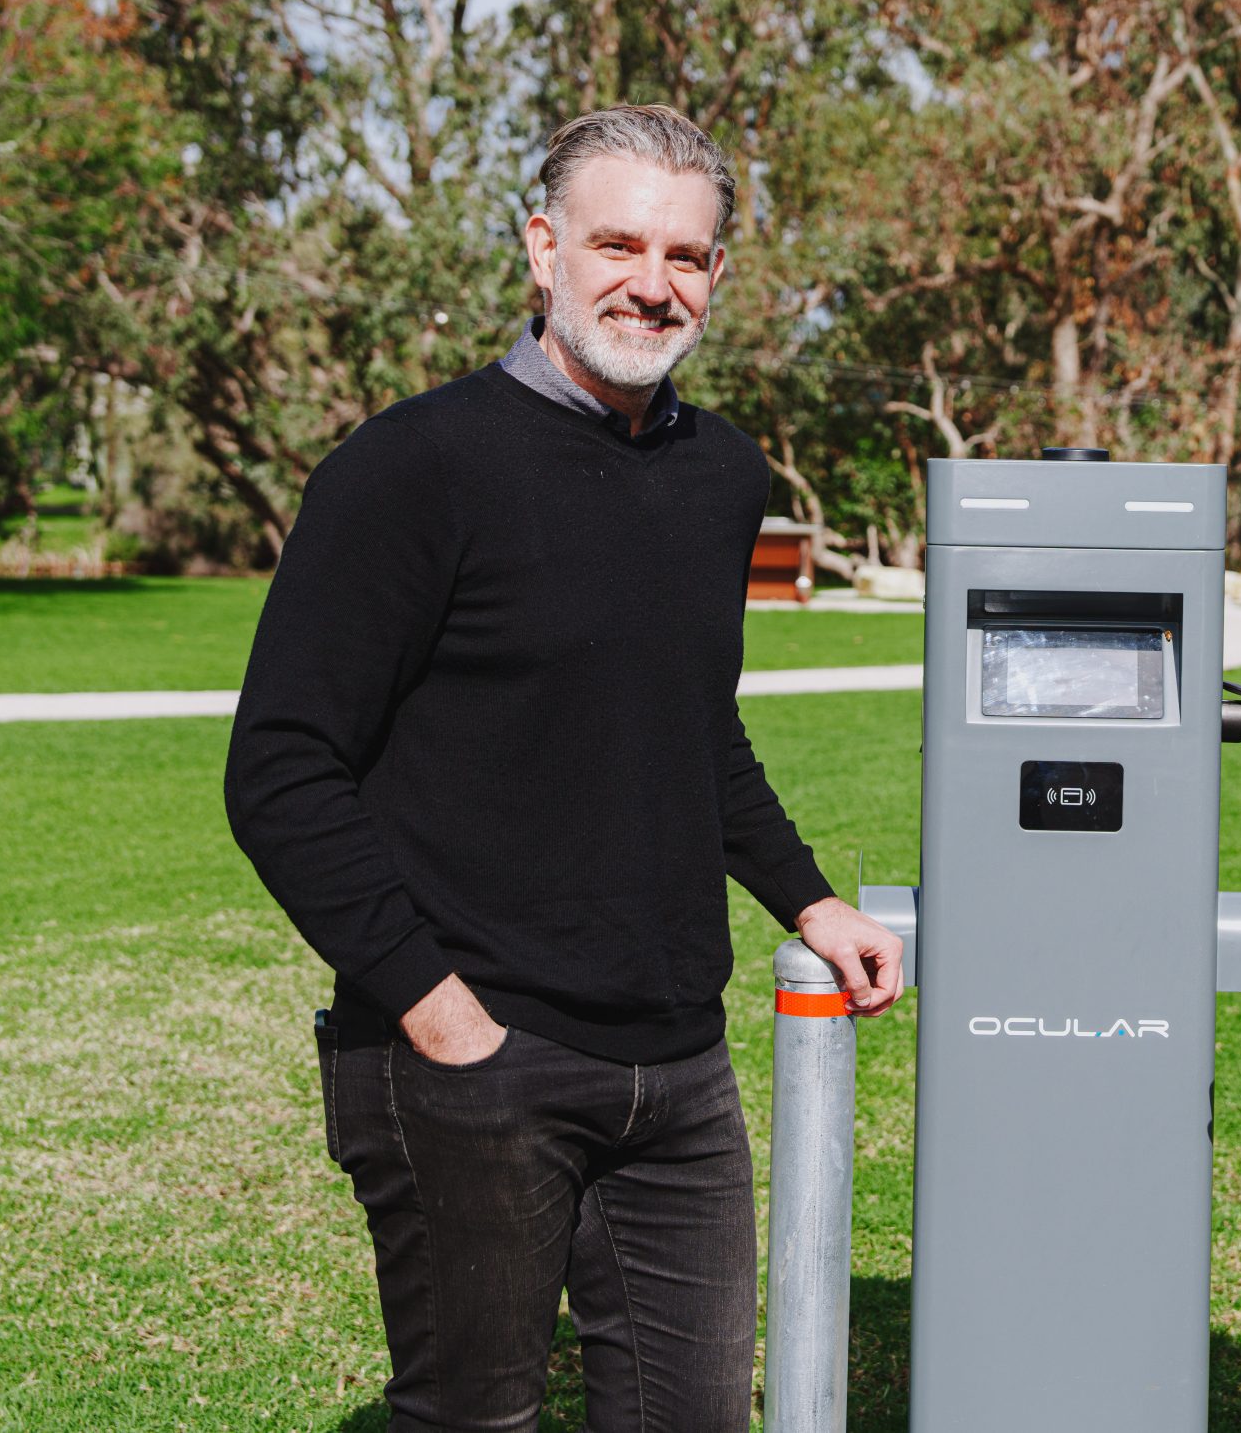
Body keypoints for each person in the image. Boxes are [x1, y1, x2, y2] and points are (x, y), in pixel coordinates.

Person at [224, 104, 901, 1432]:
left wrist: (810, 900)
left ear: (718, 274)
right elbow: (282, 769)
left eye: (686, 256)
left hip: (679, 1065)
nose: (653, 283)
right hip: (471, 1052)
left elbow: (692, 725)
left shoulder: (722, 474)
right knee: (472, 1418)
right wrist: (439, 1015)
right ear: (544, 250)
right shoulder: (411, 466)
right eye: (617, 245)